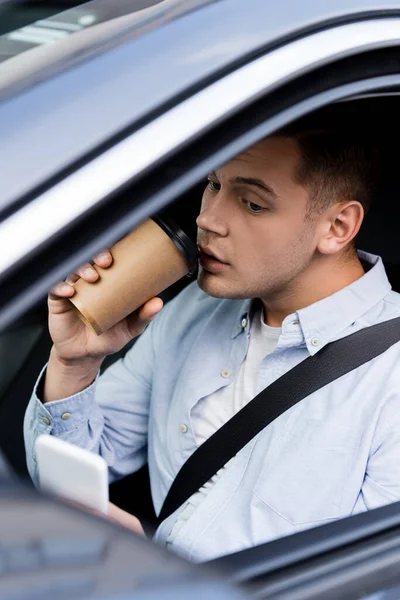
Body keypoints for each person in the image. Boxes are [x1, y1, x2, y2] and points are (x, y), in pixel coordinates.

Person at [23, 108, 400, 562]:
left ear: (337, 227)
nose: (209, 219)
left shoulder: (389, 377)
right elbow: (76, 471)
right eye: (214, 184)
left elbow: (367, 584)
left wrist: (156, 578)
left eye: (253, 203)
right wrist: (75, 364)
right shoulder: (194, 310)